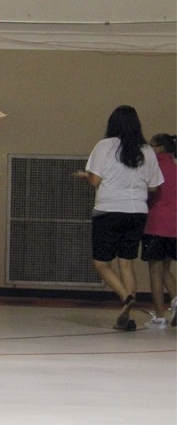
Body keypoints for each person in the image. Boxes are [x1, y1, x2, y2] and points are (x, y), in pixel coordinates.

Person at [75, 105, 164, 331]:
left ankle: (126, 298)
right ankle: (129, 318)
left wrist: (86, 176)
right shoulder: (147, 150)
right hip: (137, 212)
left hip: (109, 210)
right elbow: (154, 187)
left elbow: (95, 181)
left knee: (101, 263)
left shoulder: (104, 146)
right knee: (126, 263)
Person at [140, 133, 177, 328]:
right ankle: (176, 300)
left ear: (160, 148)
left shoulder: (153, 169)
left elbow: (147, 194)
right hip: (174, 227)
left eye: (151, 145)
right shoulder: (175, 169)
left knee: (155, 272)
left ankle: (160, 318)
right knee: (166, 269)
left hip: (155, 224)